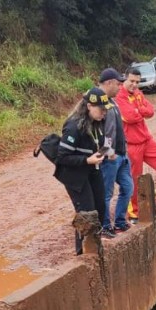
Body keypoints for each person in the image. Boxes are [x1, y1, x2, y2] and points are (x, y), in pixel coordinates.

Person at [116, 66, 156, 218]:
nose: (135, 85)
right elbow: (129, 117)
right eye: (131, 81)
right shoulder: (119, 97)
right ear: (125, 78)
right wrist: (140, 110)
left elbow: (150, 111)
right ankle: (134, 212)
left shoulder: (138, 93)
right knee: (135, 179)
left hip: (146, 140)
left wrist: (138, 110)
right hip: (131, 145)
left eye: (137, 82)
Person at [55, 87, 110, 254]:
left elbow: (102, 143)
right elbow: (62, 157)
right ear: (89, 106)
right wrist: (87, 160)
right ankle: (82, 252)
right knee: (86, 212)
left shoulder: (98, 124)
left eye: (106, 110)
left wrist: (105, 152)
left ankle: (95, 246)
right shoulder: (73, 126)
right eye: (101, 109)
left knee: (100, 208)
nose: (104, 113)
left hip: (93, 170)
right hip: (75, 175)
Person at [96, 68, 133, 237]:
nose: (120, 86)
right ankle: (105, 226)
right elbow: (102, 133)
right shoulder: (100, 103)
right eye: (118, 83)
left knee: (128, 187)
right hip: (111, 157)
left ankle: (119, 221)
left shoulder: (113, 101)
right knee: (106, 193)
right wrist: (109, 154)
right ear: (109, 82)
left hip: (121, 155)